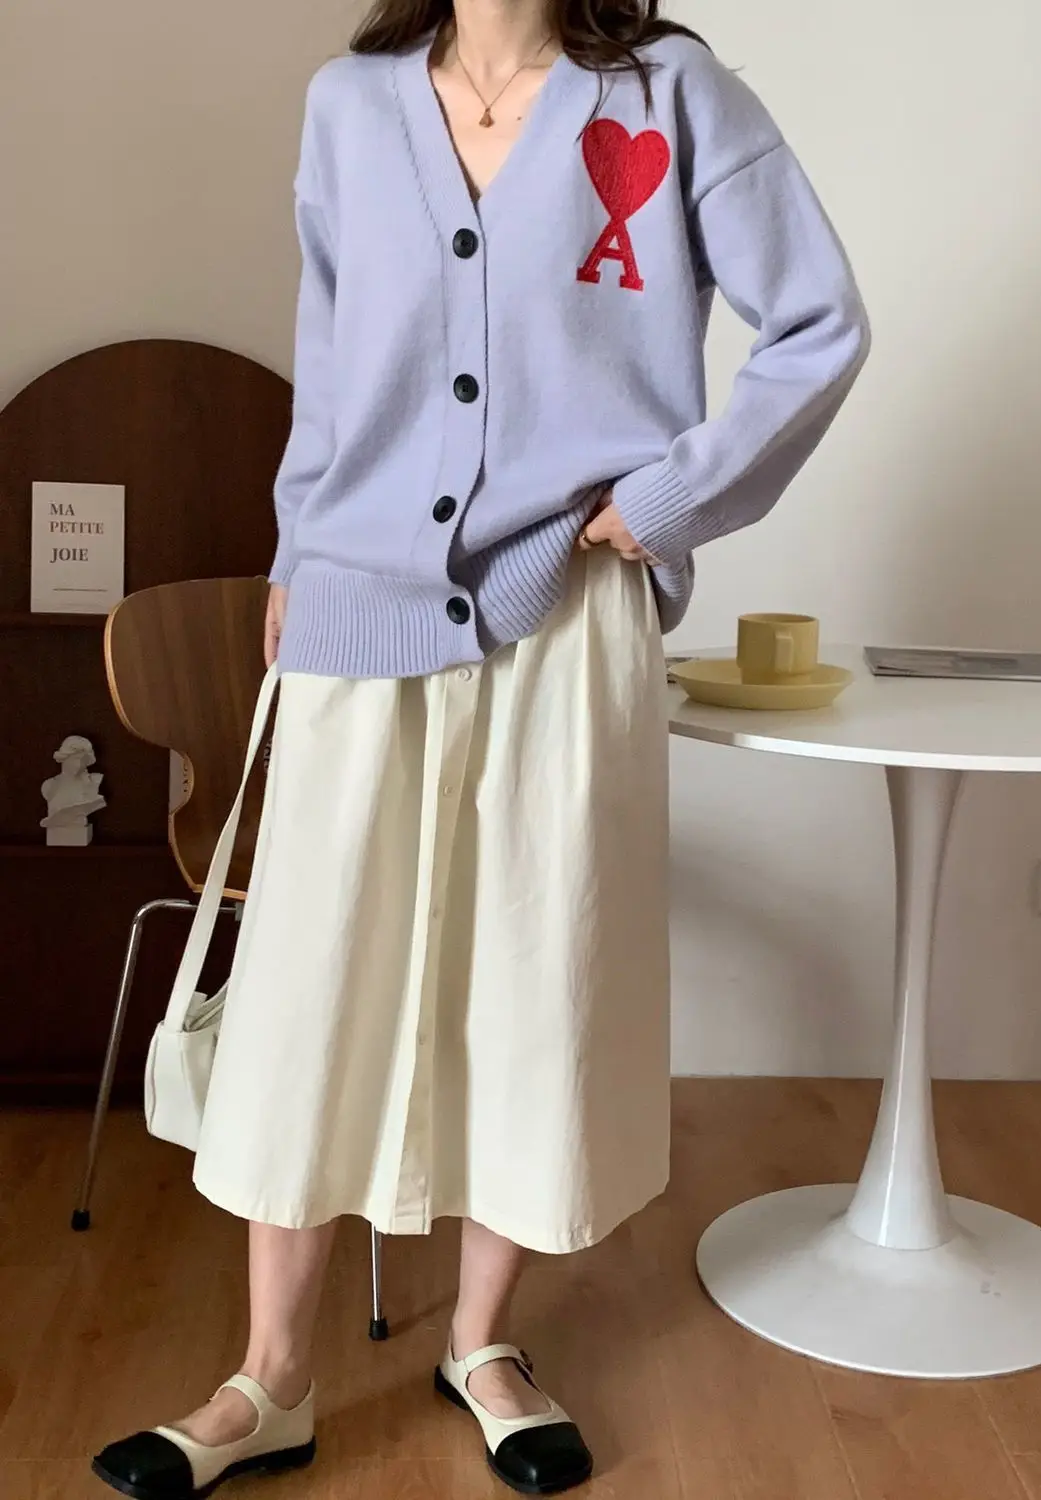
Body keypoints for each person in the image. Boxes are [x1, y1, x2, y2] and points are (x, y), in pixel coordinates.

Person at [92, 1, 868, 1495]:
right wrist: (294, 557)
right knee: (314, 987)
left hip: (566, 603)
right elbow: (330, 365)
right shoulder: (351, 103)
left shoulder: (670, 95)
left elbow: (820, 323)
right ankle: (269, 1378)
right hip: (358, 601)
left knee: (535, 966)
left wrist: (667, 500)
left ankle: (484, 1344)